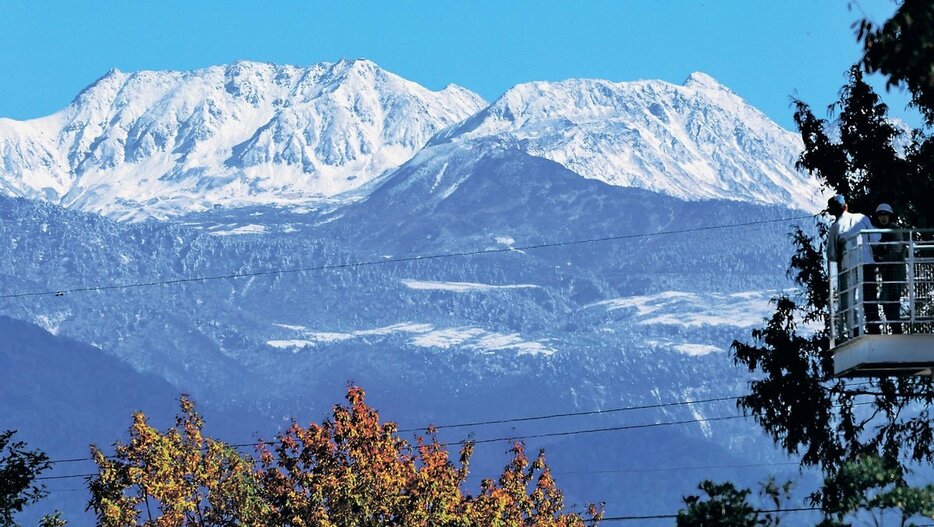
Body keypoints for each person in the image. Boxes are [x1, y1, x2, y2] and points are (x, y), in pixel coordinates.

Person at [827, 194, 880, 338]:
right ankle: (874, 328)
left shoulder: (836, 227)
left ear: (832, 211)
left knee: (850, 300)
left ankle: (855, 331)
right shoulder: (862, 218)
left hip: (848, 268)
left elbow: (831, 254)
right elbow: (876, 239)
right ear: (846, 206)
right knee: (869, 299)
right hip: (867, 264)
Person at [872, 203, 907, 334]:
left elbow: (896, 251)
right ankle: (896, 330)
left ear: (890, 216)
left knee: (891, 302)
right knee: (888, 302)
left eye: (885, 215)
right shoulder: (881, 231)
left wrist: (881, 258)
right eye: (880, 215)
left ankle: (897, 331)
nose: (883, 218)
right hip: (888, 274)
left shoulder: (894, 230)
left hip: (896, 273)